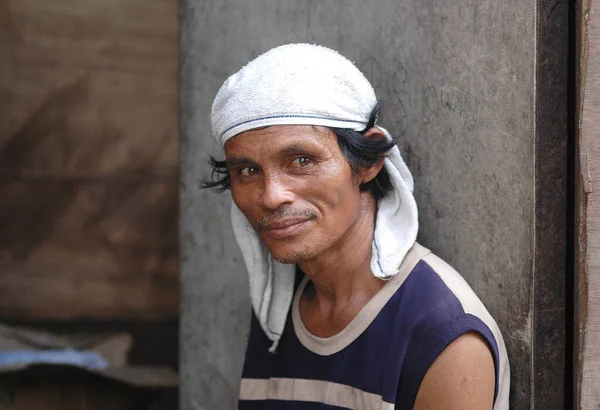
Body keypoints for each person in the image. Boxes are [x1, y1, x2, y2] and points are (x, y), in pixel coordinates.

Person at [203, 43, 510, 410]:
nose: (270, 196)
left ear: (369, 161)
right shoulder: (277, 307)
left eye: (302, 160)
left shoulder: (441, 333)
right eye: (248, 171)